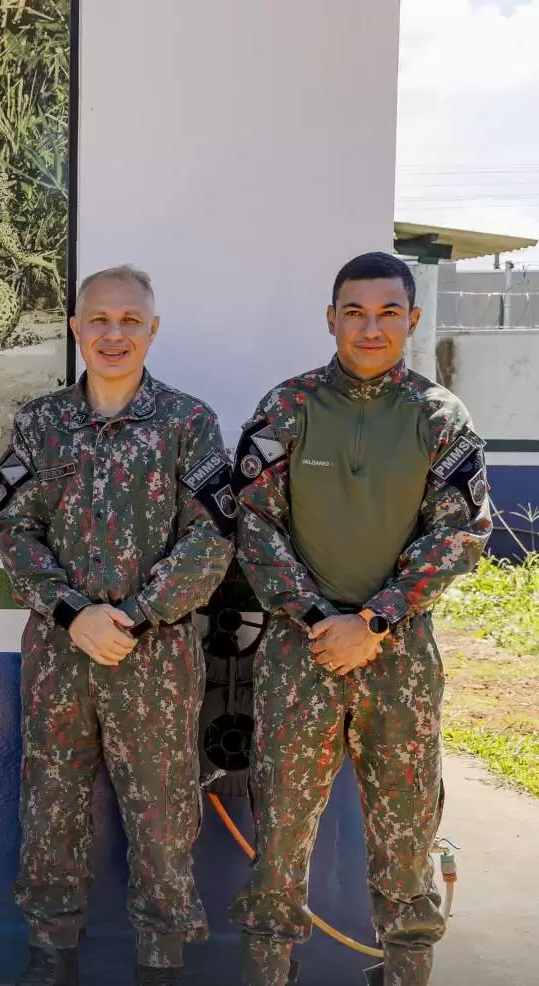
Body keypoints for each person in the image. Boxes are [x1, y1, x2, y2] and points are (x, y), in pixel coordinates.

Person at [228, 252, 492, 986]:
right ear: (331, 319)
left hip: (399, 659)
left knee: (407, 840)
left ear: (409, 319)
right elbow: (252, 524)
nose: (369, 327)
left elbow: (461, 533)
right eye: (354, 311)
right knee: (280, 838)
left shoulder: (439, 416)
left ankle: (406, 975)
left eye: (386, 312)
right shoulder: (289, 408)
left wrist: (373, 621)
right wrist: (318, 617)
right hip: (299, 653)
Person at [0, 265, 235, 986]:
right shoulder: (40, 424)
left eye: (131, 322)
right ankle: (50, 953)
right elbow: (13, 528)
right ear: (76, 328)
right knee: (52, 804)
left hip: (155, 655)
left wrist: (129, 614)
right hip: (61, 653)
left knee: (163, 813)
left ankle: (161, 960)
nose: (114, 334)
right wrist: (73, 612)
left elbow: (212, 537)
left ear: (153, 331)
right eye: (100, 320)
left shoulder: (190, 425)